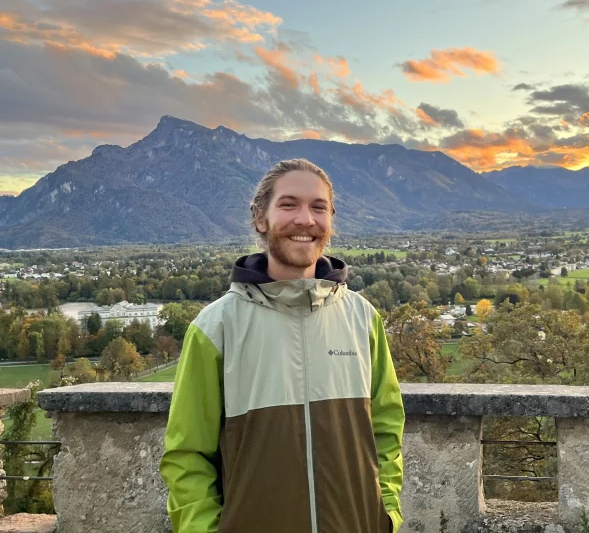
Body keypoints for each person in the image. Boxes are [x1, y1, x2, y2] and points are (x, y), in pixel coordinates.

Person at [160, 158, 405, 533]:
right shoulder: (216, 327)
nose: (305, 219)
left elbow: (387, 430)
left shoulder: (363, 319)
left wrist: (385, 515)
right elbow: (186, 454)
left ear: (330, 220)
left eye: (318, 207)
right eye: (289, 205)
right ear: (261, 217)